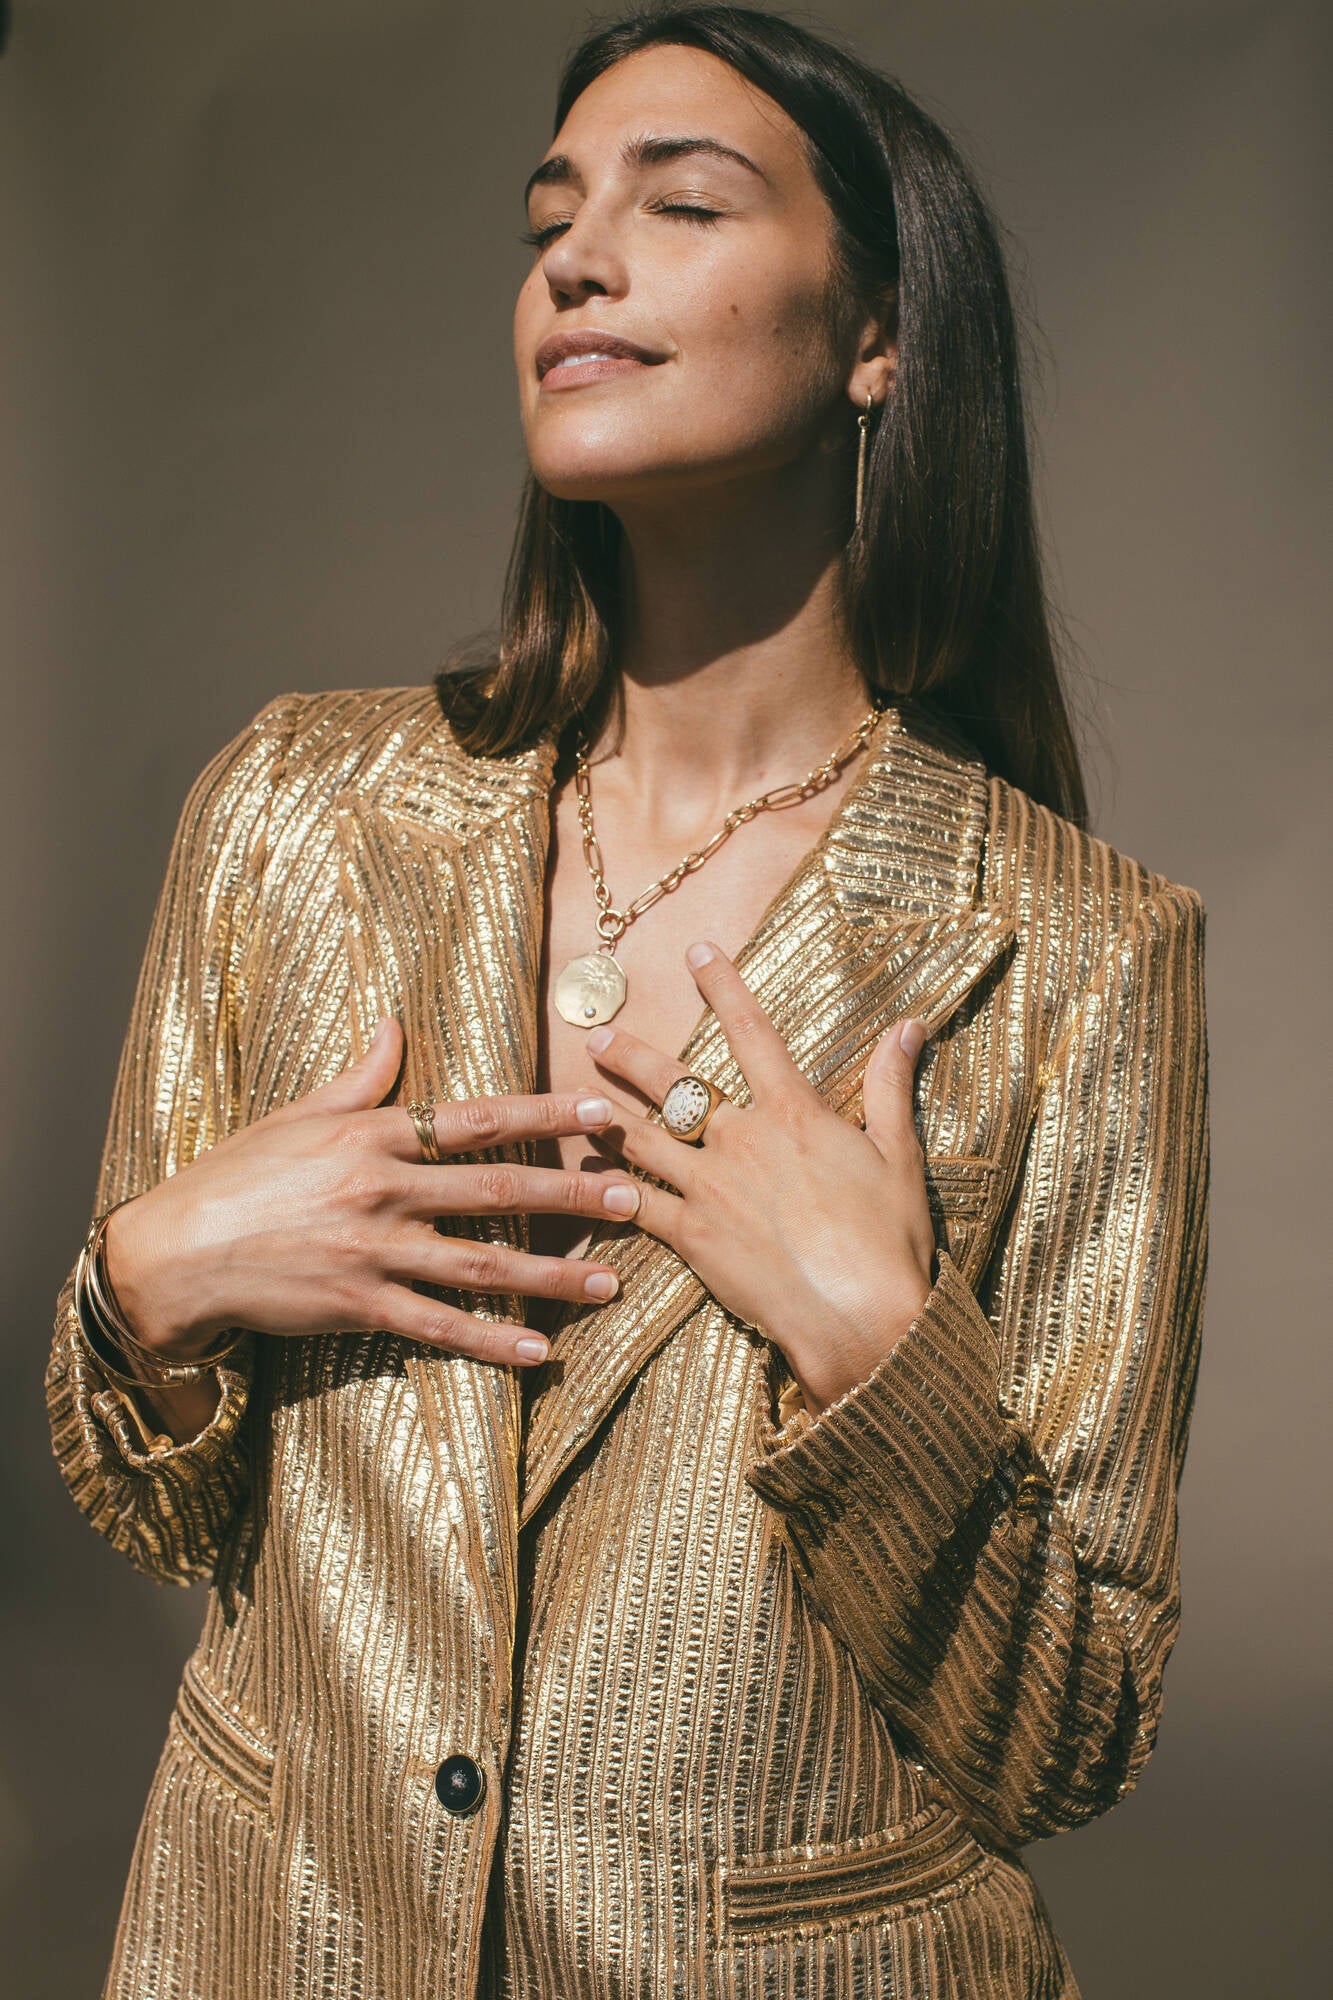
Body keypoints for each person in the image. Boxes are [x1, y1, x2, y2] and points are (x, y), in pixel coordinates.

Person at [45, 8, 1210, 1998]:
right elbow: (163, 1507)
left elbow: (1068, 1732)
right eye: (548, 217)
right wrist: (149, 1280)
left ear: (878, 336)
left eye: (680, 204)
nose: (573, 259)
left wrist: (880, 1359)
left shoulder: (1080, 949)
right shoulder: (292, 808)